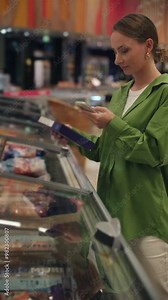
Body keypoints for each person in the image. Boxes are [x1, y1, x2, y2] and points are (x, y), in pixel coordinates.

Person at [55, 13, 168, 297]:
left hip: (144, 216)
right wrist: (72, 137)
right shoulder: (121, 94)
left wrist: (113, 124)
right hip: (110, 212)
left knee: (158, 290)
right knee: (121, 291)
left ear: (148, 45)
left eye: (124, 50)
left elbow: (154, 151)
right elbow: (105, 150)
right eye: (115, 51)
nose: (117, 60)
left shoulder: (164, 93)